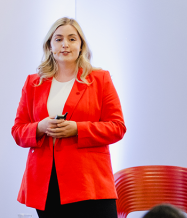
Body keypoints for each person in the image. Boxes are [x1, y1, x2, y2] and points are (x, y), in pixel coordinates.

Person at [12, 17, 126, 218]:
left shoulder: (100, 79)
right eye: (58, 39)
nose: (65, 44)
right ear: (50, 45)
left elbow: (117, 127)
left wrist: (78, 129)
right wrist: (40, 127)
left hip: (90, 182)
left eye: (72, 39)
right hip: (48, 183)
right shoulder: (33, 83)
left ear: (81, 45)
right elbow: (18, 131)